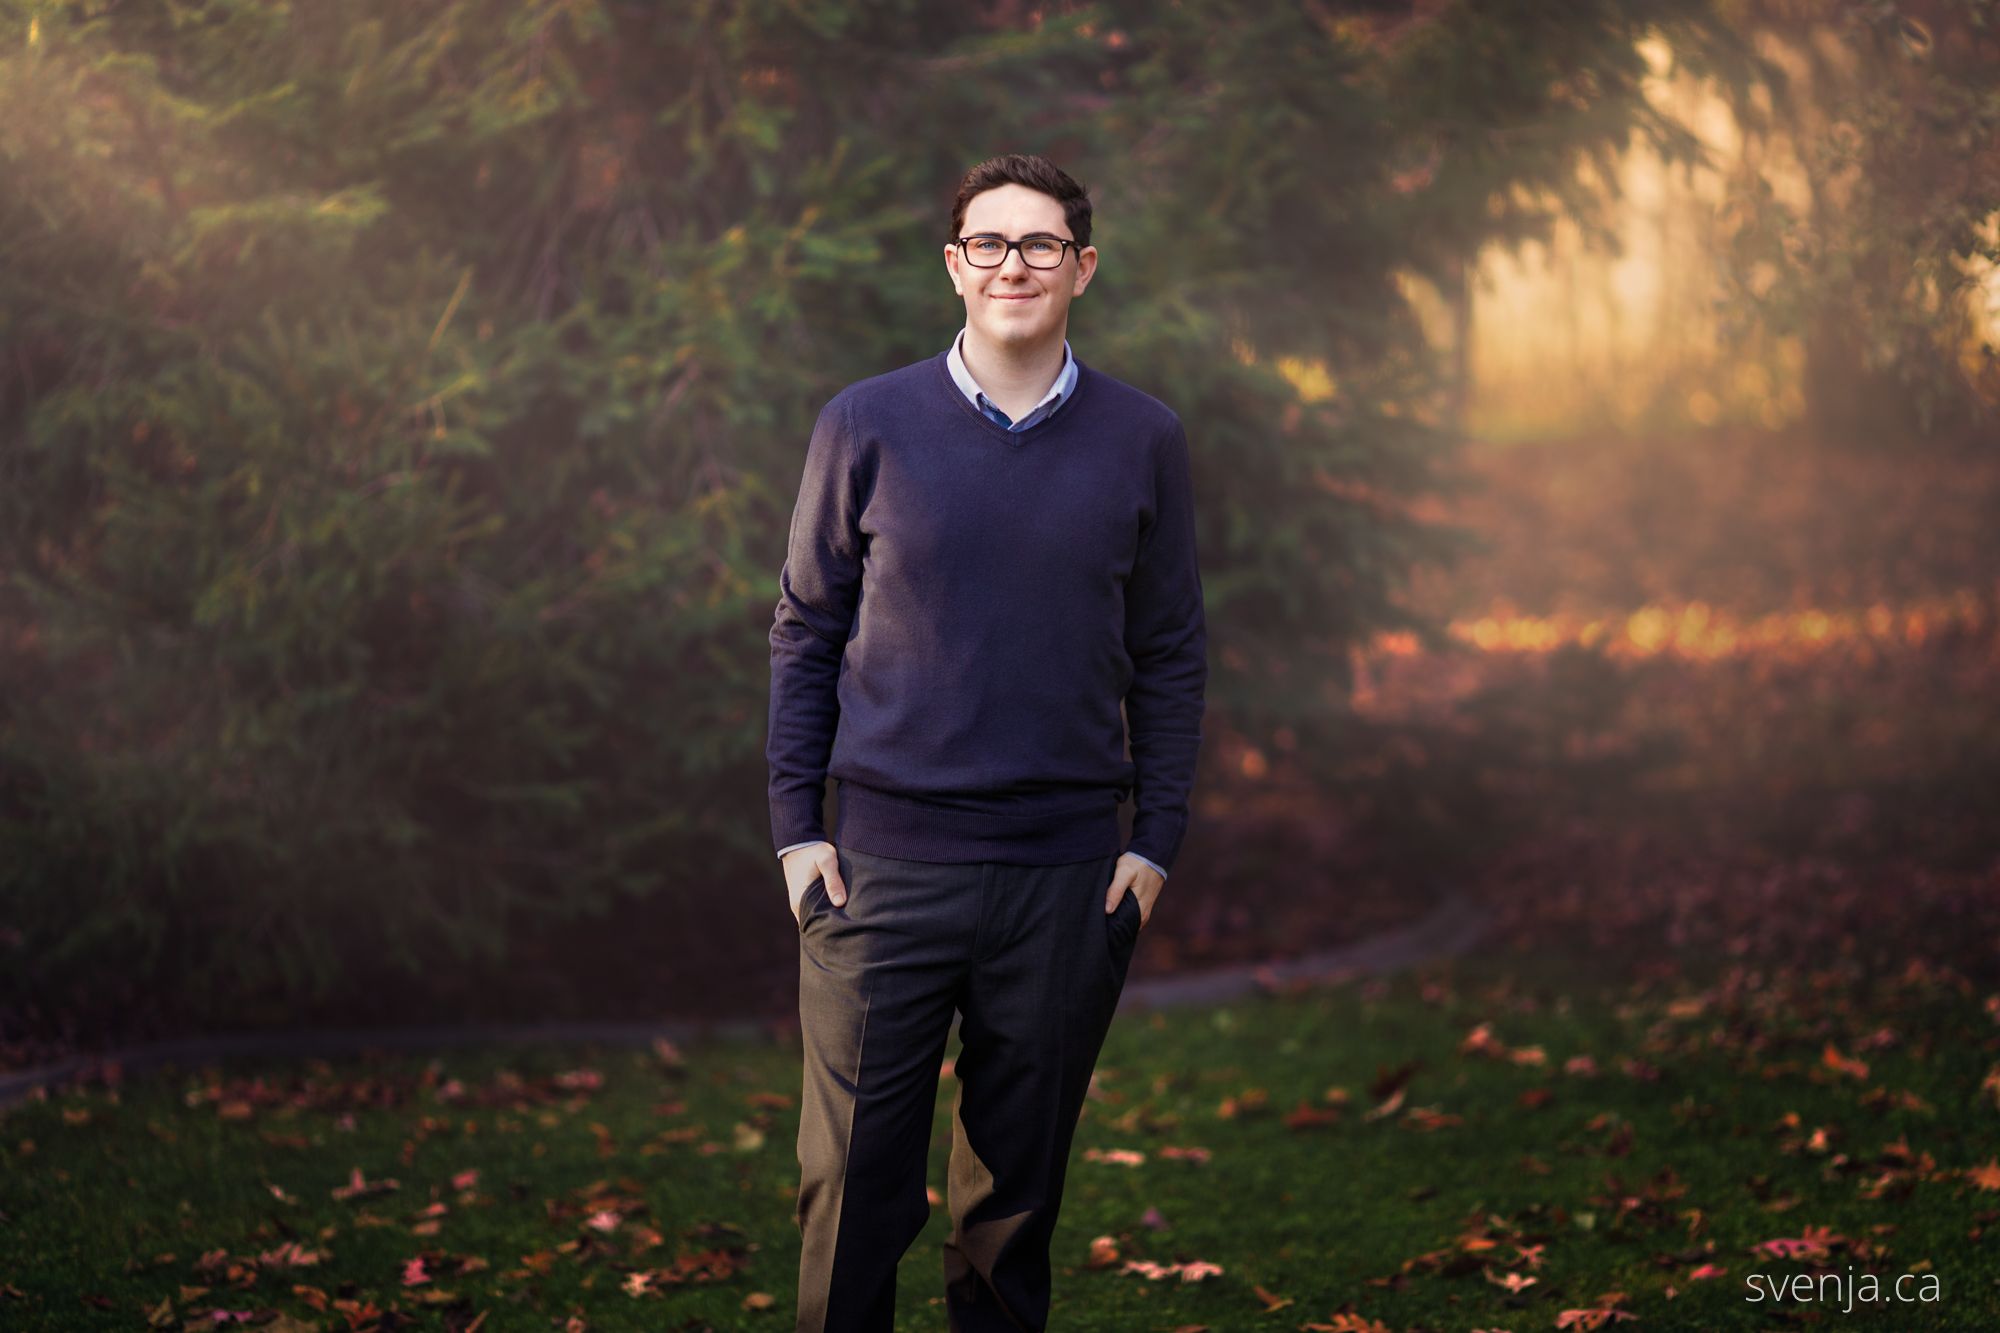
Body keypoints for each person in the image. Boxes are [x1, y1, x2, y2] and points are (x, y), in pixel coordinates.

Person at [766, 151, 1208, 1332]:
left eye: (1042, 243)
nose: (1015, 263)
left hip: (1064, 881)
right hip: (880, 877)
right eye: (990, 243)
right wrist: (796, 836)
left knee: (1009, 1215)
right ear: (955, 266)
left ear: (1083, 268)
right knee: (849, 1196)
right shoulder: (864, 424)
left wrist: (1151, 843)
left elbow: (1168, 650)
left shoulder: (1141, 438)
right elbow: (805, 629)